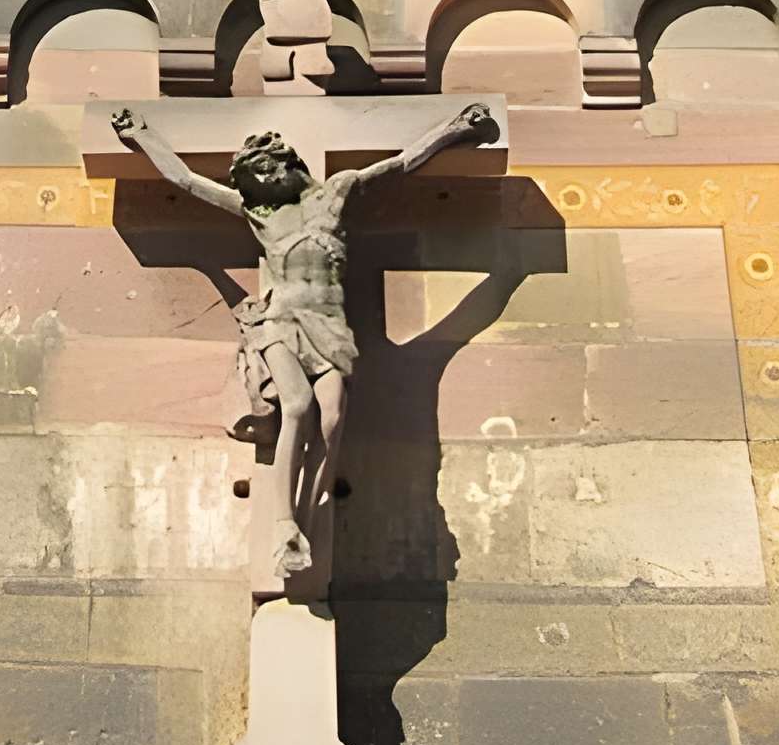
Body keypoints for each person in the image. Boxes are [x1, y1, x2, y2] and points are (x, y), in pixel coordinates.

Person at [111, 103, 497, 579]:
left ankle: (306, 523)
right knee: (297, 406)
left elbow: (400, 164)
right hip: (281, 322)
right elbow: (188, 181)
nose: (262, 181)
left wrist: (455, 130)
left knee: (332, 420)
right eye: (254, 176)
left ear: (287, 162)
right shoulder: (261, 215)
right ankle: (284, 524)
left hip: (329, 327)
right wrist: (142, 136)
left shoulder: (339, 192)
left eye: (265, 169)